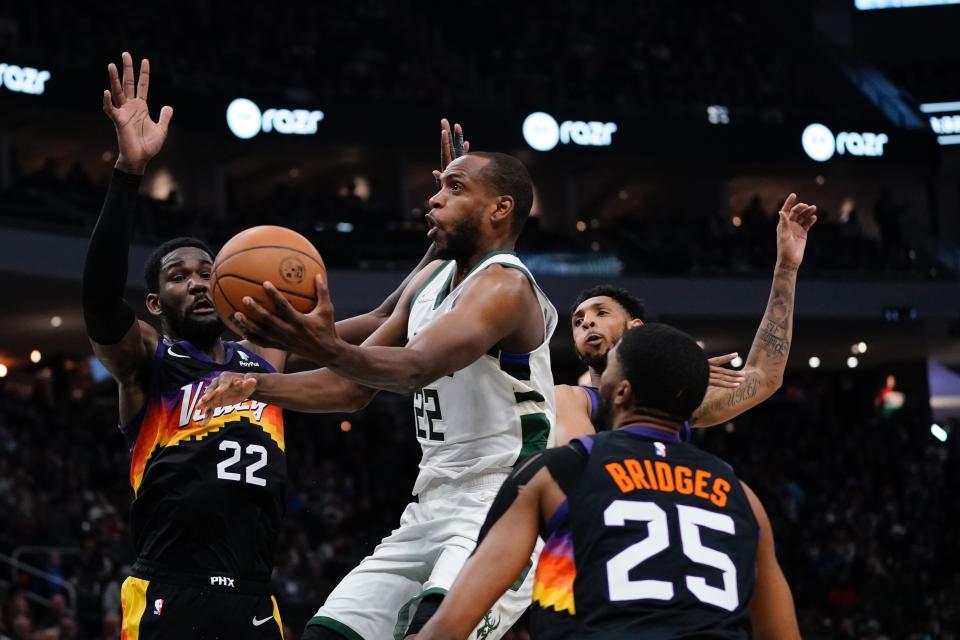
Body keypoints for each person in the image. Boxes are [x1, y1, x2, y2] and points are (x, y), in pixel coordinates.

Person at [83, 52, 431, 639]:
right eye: (178, 276)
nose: (196, 281)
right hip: (170, 588)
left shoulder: (265, 354)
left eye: (205, 271)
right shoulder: (150, 364)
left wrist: (442, 247)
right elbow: (97, 300)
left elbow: (384, 315)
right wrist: (127, 172)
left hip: (254, 595)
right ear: (153, 303)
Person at [198, 140, 556, 640]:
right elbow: (351, 388)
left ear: (501, 207)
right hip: (430, 503)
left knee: (433, 633)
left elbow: (413, 368)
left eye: (455, 188)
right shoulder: (433, 278)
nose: (433, 199)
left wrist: (316, 342)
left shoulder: (505, 288)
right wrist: (257, 383)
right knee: (326, 634)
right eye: (438, 187)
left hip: (502, 502)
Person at [417, 323, 801, 639]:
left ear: (622, 391)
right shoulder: (741, 496)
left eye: (610, 366)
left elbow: (450, 628)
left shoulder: (560, 472)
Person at [556, 193, 817, 445]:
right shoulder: (572, 399)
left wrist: (787, 266)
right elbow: (578, 473)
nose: (587, 323)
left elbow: (763, 376)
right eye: (578, 322)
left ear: (635, 329)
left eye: (601, 313)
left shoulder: (669, 405)